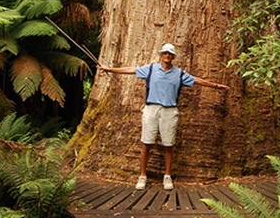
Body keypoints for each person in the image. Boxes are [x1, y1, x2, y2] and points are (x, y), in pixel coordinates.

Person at [98, 43, 229, 191]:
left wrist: (217, 86)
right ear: (161, 55)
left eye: (170, 54)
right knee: (146, 143)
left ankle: (167, 176)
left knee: (169, 144)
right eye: (165, 53)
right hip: (151, 109)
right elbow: (131, 70)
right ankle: (142, 176)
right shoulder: (151, 69)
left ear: (173, 56)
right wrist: (109, 69)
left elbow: (197, 80)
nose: (167, 56)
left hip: (169, 110)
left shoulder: (179, 74)